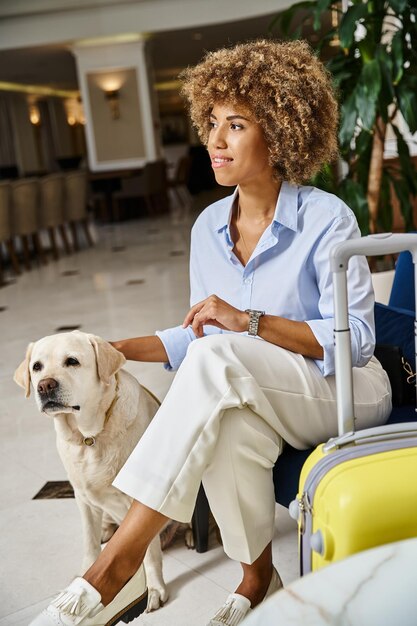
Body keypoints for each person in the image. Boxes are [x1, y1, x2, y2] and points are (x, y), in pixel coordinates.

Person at [31, 39, 392, 626]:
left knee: (222, 359)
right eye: (212, 123)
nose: (214, 140)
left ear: (278, 134)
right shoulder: (206, 228)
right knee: (228, 425)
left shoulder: (328, 218)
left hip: (346, 388)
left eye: (237, 124)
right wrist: (112, 352)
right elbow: (199, 339)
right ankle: (256, 575)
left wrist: (247, 322)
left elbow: (355, 337)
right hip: (252, 385)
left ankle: (115, 561)